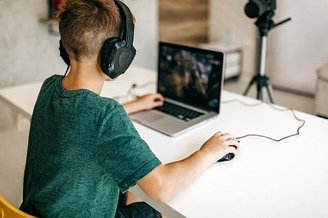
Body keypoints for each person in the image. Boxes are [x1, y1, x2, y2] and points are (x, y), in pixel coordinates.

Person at [20, 0, 240, 217]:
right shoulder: (105, 115)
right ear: (115, 55)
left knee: (128, 192)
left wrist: (135, 105)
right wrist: (209, 151)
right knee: (155, 211)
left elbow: (82, 122)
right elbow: (161, 187)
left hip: (39, 210)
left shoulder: (50, 86)